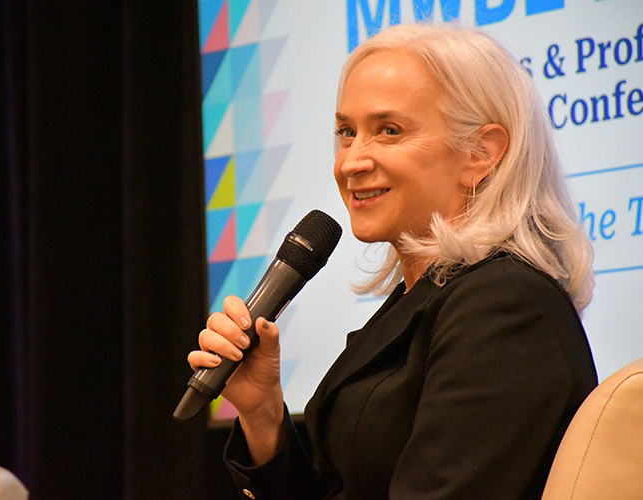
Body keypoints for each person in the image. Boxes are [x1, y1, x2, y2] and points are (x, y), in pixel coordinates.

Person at [188, 23, 597, 500]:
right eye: (346, 132)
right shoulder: (429, 300)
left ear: (480, 154)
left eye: (389, 131)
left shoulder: (506, 308)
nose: (351, 161)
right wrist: (262, 415)